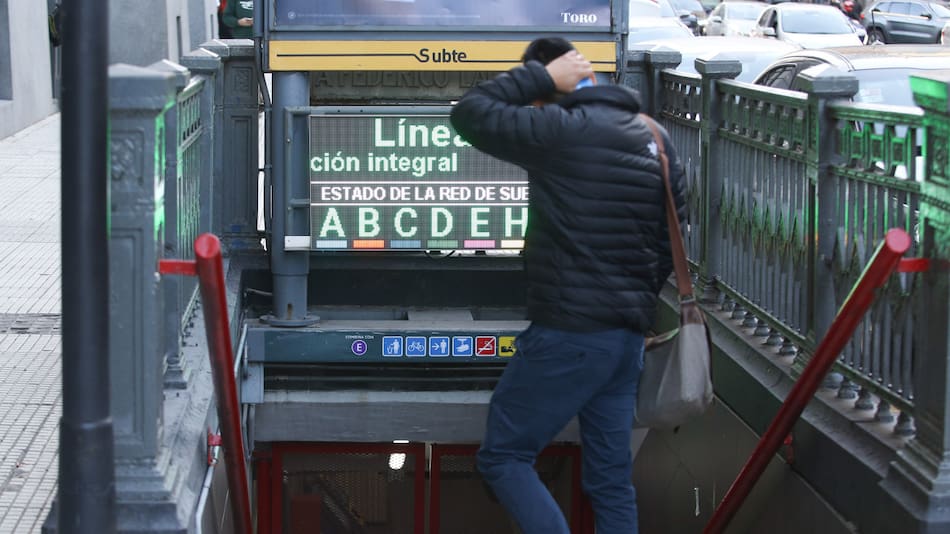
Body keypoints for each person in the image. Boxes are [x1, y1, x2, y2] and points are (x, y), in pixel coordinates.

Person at [450, 37, 687, 534]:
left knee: (505, 457)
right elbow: (671, 242)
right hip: (626, 343)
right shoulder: (655, 138)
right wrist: (638, 313)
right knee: (611, 480)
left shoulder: (561, 131)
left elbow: (470, 113)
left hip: (569, 336)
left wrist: (538, 79)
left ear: (550, 87)